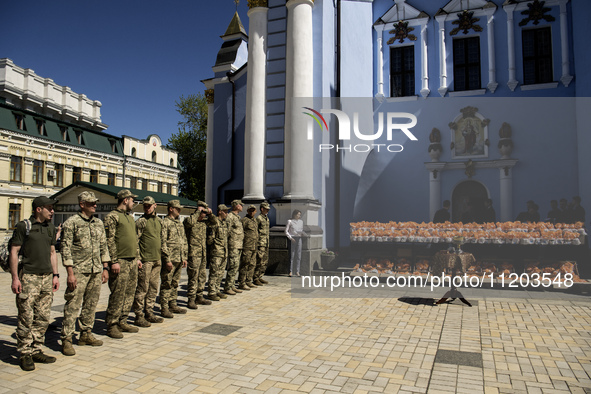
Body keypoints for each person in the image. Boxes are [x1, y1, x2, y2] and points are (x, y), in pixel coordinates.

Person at [10, 196, 60, 371]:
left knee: (43, 317)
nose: (52, 211)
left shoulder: (51, 228)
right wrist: (15, 278)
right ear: (39, 209)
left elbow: (53, 252)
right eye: (49, 208)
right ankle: (24, 353)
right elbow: (14, 252)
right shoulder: (24, 227)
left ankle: (36, 349)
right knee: (26, 317)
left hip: (46, 277)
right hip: (29, 278)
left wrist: (55, 275)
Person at [60, 191, 110, 356]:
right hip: (79, 272)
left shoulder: (98, 223)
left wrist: (105, 267)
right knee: (73, 305)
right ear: (82, 204)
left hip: (96, 270)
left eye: (95, 203)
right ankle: (67, 338)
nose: (95, 205)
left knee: (91, 304)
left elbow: (104, 246)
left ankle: (85, 334)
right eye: (91, 203)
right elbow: (65, 248)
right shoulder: (71, 223)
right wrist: (70, 273)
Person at [104, 189, 142, 339]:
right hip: (120, 261)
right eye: (132, 200)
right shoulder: (112, 217)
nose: (134, 203)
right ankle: (112, 324)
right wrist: (113, 261)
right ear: (125, 200)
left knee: (129, 292)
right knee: (118, 293)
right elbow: (109, 240)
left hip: (132, 260)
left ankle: (123, 320)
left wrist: (137, 258)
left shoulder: (130, 218)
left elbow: (135, 240)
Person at [132, 196, 164, 326]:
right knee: (142, 288)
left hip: (157, 259)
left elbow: (162, 240)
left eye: (149, 206)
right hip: (146, 260)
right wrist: (138, 258)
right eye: (145, 206)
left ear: (155, 205)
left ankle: (149, 312)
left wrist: (164, 257)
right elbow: (135, 241)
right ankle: (139, 315)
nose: (147, 208)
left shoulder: (159, 221)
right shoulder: (141, 221)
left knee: (153, 287)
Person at [160, 200, 189, 317]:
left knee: (175, 283)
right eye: (177, 208)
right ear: (171, 209)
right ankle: (164, 307)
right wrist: (166, 260)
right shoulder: (165, 223)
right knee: (166, 283)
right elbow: (162, 242)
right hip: (170, 259)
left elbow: (184, 241)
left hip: (179, 258)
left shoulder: (179, 223)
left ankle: (173, 304)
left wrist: (184, 257)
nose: (179, 210)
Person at [183, 201, 213, 308]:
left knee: (202, 276)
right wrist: (198, 212)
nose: (204, 214)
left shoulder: (204, 222)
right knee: (193, 276)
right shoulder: (190, 220)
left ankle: (199, 296)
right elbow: (189, 223)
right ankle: (191, 298)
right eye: (203, 212)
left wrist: (211, 214)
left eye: (205, 212)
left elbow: (215, 223)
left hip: (203, 253)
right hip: (193, 254)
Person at [206, 204, 230, 301]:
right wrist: (214, 247)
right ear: (220, 211)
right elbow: (210, 238)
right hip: (216, 251)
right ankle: (211, 292)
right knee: (214, 272)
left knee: (220, 273)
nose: (226, 213)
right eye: (225, 211)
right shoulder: (215, 222)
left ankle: (216, 290)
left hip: (224, 252)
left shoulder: (224, 223)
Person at [224, 200, 244, 295]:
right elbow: (226, 231)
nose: (242, 206)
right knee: (232, 266)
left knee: (236, 266)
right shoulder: (230, 217)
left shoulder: (238, 217)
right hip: (233, 245)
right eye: (240, 205)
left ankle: (232, 285)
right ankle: (227, 287)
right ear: (236, 206)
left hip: (239, 245)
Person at [238, 205, 258, 290]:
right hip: (247, 246)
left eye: (253, 211)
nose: (251, 212)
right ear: (247, 211)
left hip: (254, 246)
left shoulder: (255, 221)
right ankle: (242, 282)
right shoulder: (244, 220)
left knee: (252, 264)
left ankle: (248, 280)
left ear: (255, 211)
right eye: (250, 210)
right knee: (245, 264)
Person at [253, 202, 271, 286]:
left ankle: (260, 276)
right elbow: (256, 231)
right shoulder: (259, 218)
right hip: (260, 242)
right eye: (266, 209)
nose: (267, 210)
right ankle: (255, 277)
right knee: (259, 260)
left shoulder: (266, 218)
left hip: (266, 242)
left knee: (264, 261)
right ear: (262, 209)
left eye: (268, 209)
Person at [285, 210, 305, 277]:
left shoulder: (301, 222)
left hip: (299, 238)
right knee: (292, 255)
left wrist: (302, 234)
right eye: (298, 214)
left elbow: (301, 230)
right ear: (294, 215)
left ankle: (297, 271)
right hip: (293, 239)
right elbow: (286, 231)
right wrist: (290, 238)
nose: (299, 216)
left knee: (298, 255)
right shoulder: (290, 221)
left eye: (300, 215)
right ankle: (290, 271)